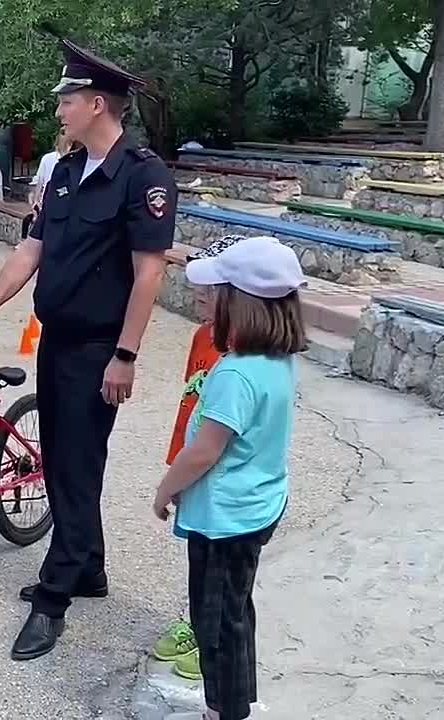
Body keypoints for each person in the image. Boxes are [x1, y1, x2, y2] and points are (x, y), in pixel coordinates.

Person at [0, 40, 179, 661]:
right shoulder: (67, 174)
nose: (58, 111)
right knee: (64, 458)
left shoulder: (143, 176)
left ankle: (54, 598)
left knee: (76, 465)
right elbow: (33, 249)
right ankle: (90, 569)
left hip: (100, 347)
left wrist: (126, 355)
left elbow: (149, 271)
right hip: (58, 341)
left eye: (67, 100)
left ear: (97, 103)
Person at [151, 235, 307, 720]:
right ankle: (240, 703)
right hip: (257, 506)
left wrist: (166, 487)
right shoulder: (277, 360)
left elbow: (203, 452)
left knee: (215, 624)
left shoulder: (235, 375)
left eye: (218, 294)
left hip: (226, 519)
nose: (208, 302)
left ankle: (226, 711)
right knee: (236, 614)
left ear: (241, 305)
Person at [154, 234, 246, 678]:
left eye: (207, 291)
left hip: (226, 480)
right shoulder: (201, 337)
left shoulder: (246, 351)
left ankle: (215, 643)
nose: (197, 296)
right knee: (198, 560)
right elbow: (190, 403)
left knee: (224, 572)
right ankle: (197, 624)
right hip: (194, 469)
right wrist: (177, 462)